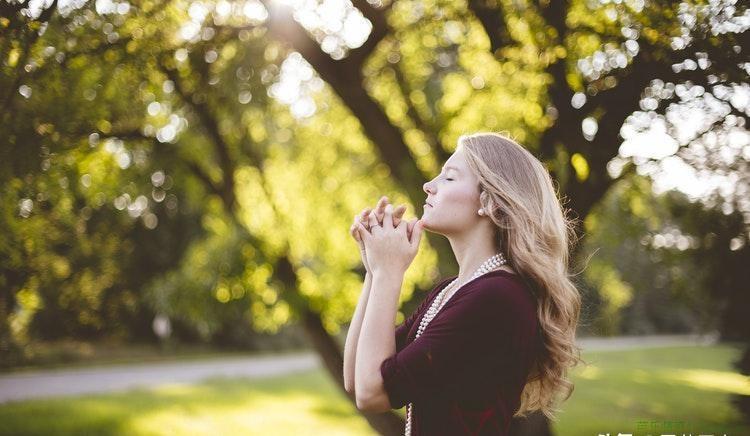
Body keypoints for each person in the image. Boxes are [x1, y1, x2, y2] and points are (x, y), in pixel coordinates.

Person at [343, 132, 585, 435]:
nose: (428, 185)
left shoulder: (496, 297)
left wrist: (389, 272)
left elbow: (373, 393)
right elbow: (356, 379)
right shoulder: (452, 290)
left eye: (449, 178)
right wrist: (374, 269)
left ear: (490, 201)